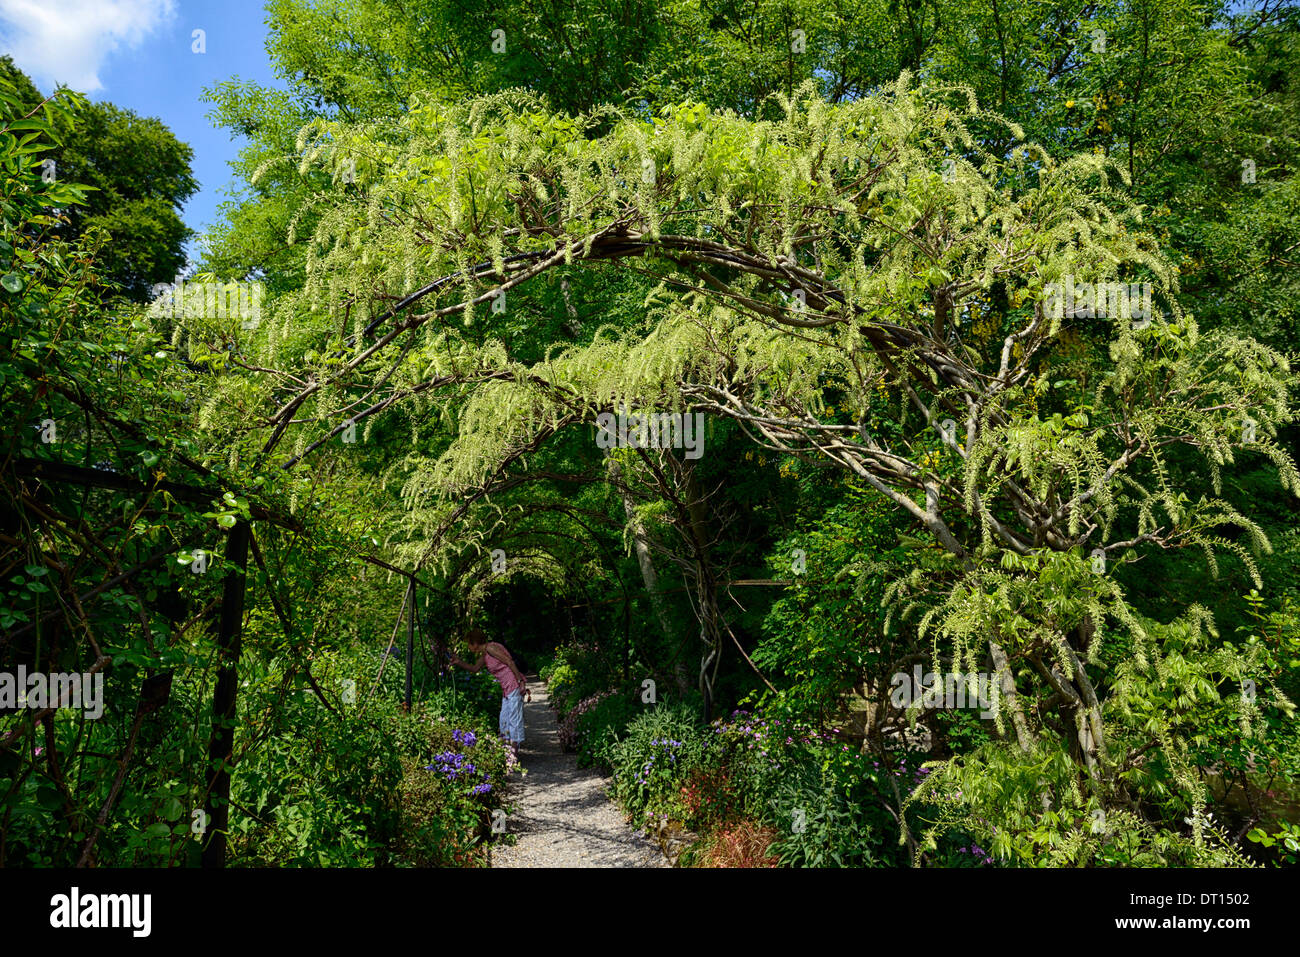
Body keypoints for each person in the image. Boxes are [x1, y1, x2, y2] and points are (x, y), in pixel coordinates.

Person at [450, 628, 530, 757]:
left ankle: (513, 755)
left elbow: (509, 662)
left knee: (514, 720)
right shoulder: (485, 655)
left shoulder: (491, 648)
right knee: (503, 720)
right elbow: (475, 668)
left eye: (469, 644)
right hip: (506, 689)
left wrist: (520, 681)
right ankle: (505, 752)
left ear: (475, 643)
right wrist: (458, 662)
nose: (468, 647)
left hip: (513, 685)